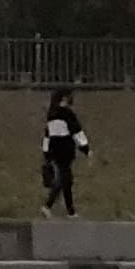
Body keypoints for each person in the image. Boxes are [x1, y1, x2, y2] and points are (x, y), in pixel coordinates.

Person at [41, 87, 92, 217]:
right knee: (65, 179)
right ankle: (50, 206)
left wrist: (46, 153)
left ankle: (69, 210)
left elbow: (47, 136)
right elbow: (77, 133)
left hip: (54, 151)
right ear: (65, 98)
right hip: (65, 151)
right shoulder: (67, 114)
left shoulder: (51, 115)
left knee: (66, 179)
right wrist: (86, 149)